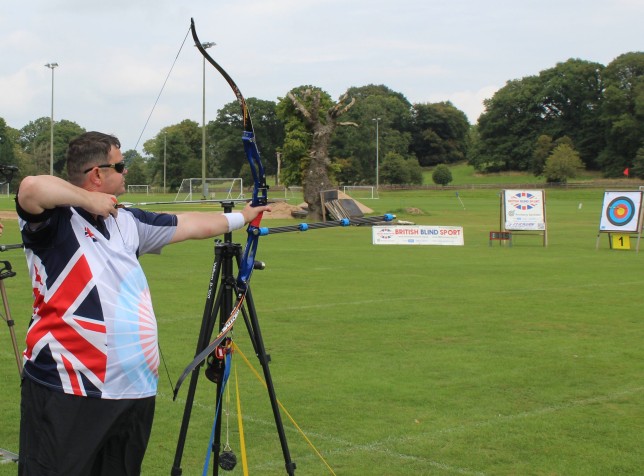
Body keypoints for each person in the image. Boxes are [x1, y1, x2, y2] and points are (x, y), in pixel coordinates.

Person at [15, 131, 270, 475]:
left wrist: (242, 216)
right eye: (120, 165)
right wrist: (89, 202)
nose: (127, 172)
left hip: (133, 390)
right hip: (69, 388)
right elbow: (31, 188)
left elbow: (188, 224)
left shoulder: (128, 221)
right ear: (97, 174)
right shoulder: (55, 221)